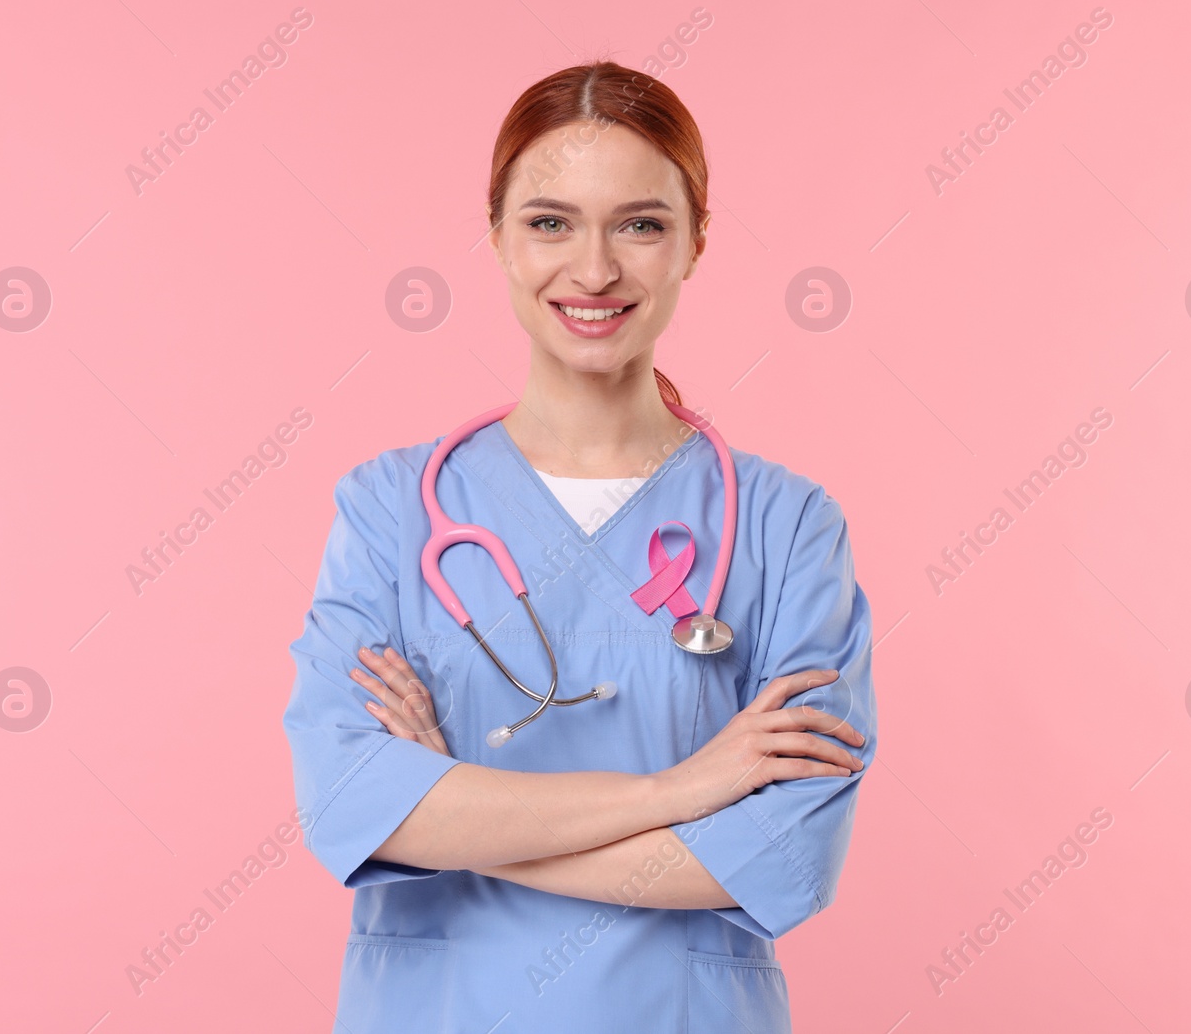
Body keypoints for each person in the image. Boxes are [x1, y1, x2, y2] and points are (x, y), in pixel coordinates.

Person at [283, 60, 876, 1034]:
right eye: (549, 221)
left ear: (694, 242)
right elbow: (348, 800)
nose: (593, 269)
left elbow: (786, 856)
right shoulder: (390, 508)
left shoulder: (785, 526)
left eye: (639, 223)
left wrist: (455, 818)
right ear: (497, 238)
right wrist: (677, 790)